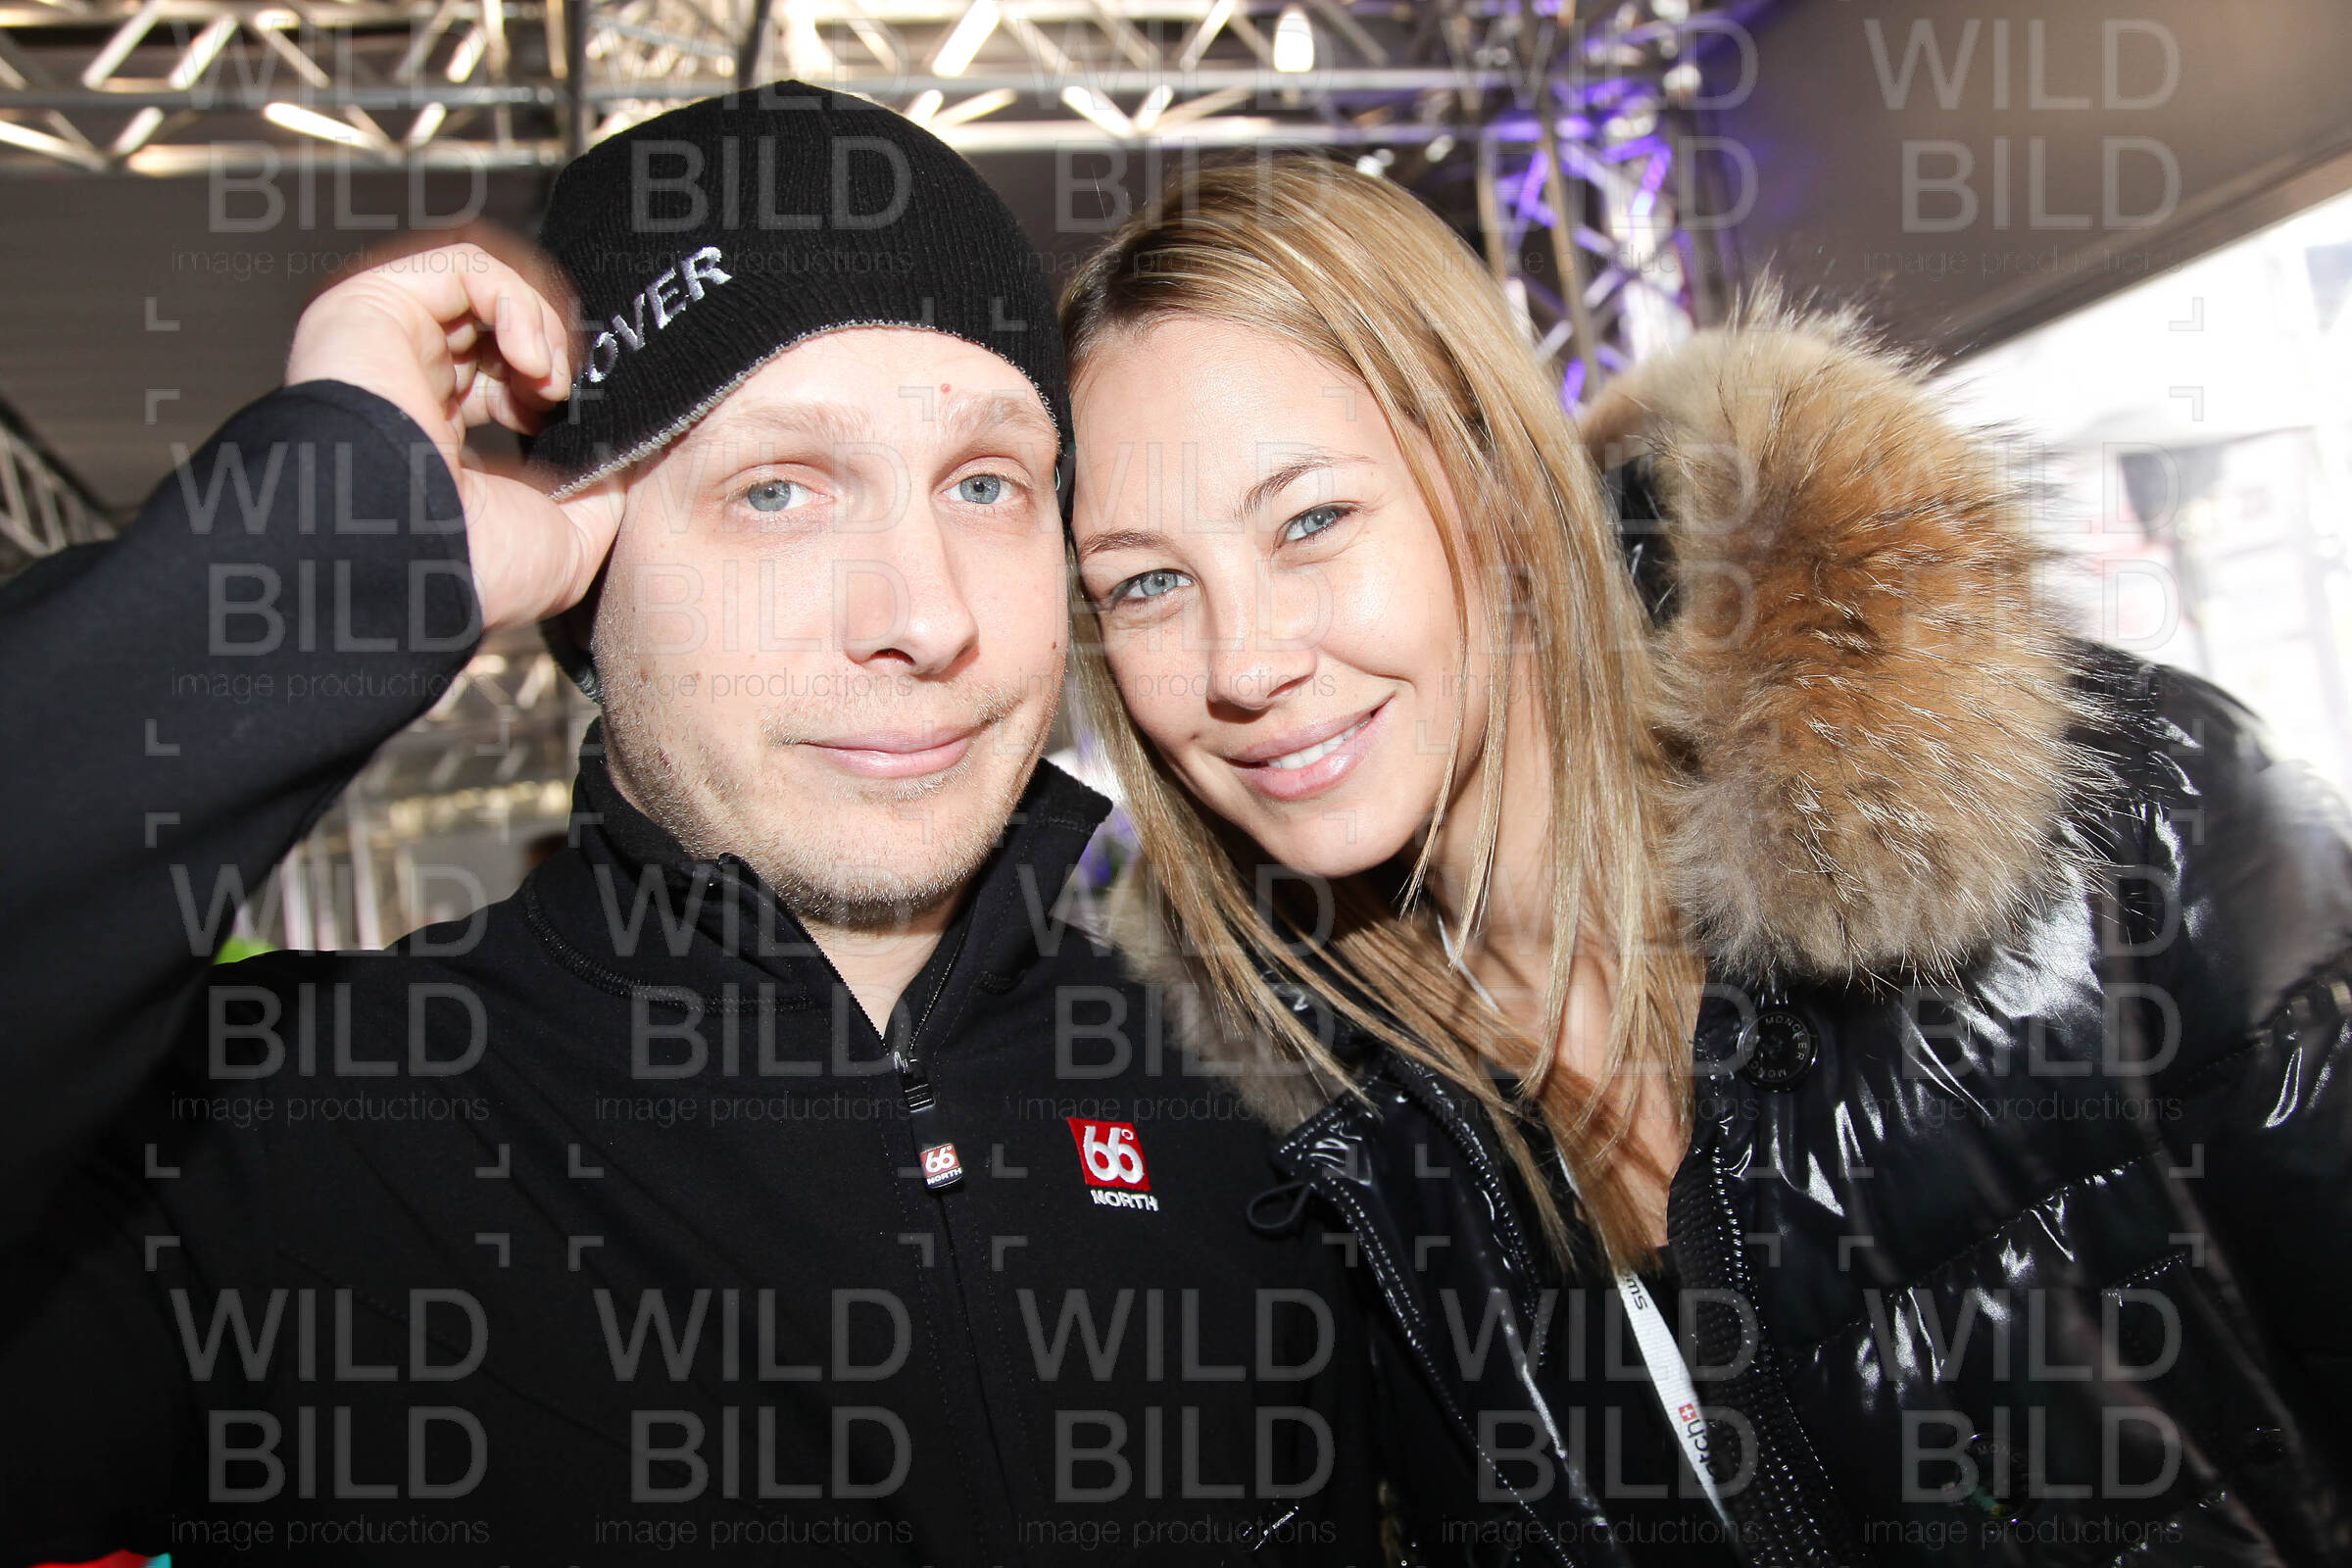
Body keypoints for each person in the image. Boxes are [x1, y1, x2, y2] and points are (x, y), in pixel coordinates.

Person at [0, 86, 1383, 1565]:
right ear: (582, 573)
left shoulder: (1269, 1087)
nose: (926, 615)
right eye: (776, 492)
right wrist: (331, 543)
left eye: (985, 483)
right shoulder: (296, 1137)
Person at [1058, 157, 2352, 1565]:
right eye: (1148, 583)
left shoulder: (2115, 839)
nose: (1243, 662)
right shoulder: (1294, 1143)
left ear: (1498, 485)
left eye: (1311, 520)